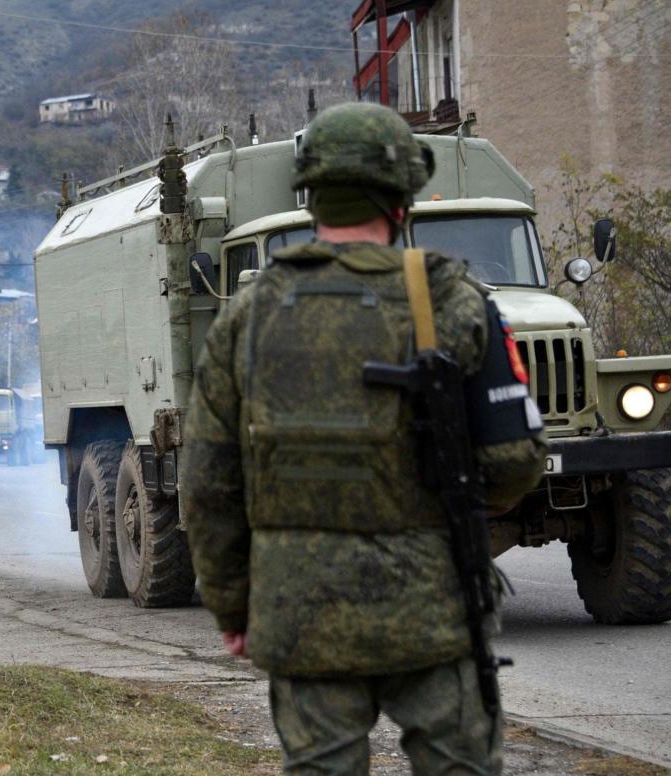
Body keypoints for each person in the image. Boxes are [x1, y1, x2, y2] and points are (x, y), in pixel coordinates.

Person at [182, 102, 546, 775]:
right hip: (434, 610)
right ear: (402, 197)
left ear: (310, 192)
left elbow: (206, 486)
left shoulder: (247, 315)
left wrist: (234, 607)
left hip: (300, 613)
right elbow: (515, 461)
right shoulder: (455, 300)